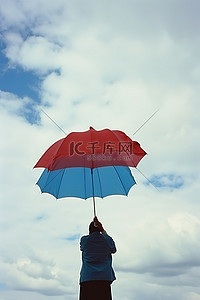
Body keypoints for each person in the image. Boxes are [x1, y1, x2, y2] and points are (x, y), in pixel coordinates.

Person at [79, 216, 117, 300]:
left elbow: (81, 247)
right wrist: (102, 229)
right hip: (104, 278)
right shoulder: (107, 240)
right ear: (99, 229)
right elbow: (113, 249)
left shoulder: (85, 240)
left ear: (89, 230)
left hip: (87, 278)